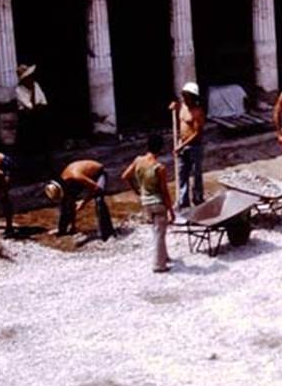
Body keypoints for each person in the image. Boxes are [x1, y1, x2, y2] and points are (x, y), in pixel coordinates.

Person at [121, 134, 175, 273]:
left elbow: (125, 176)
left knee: (157, 231)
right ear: (161, 149)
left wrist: (137, 190)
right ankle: (159, 265)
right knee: (159, 233)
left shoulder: (138, 160)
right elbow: (164, 192)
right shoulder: (159, 168)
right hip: (158, 203)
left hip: (145, 202)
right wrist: (171, 210)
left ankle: (164, 257)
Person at [44, 159, 114, 240]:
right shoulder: (64, 178)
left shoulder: (76, 176)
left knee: (99, 199)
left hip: (99, 173)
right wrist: (73, 226)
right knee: (66, 201)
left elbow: (96, 188)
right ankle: (62, 229)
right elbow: (70, 200)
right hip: (84, 177)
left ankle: (107, 233)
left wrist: (83, 202)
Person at [169, 82, 206, 209]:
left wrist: (181, 145)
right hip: (182, 144)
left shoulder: (197, 112)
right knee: (182, 174)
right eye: (183, 95)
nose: (184, 98)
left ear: (193, 97)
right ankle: (183, 201)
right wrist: (175, 107)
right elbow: (178, 109)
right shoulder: (183, 106)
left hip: (194, 147)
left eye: (186, 96)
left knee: (196, 174)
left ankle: (198, 198)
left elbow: (196, 133)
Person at [15, 63, 49, 171]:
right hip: (27, 120)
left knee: (45, 145)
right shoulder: (19, 90)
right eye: (28, 77)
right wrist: (34, 97)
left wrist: (34, 90)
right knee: (28, 149)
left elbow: (43, 102)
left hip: (38, 117)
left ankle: (45, 167)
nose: (30, 79)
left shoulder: (36, 85)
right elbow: (30, 107)